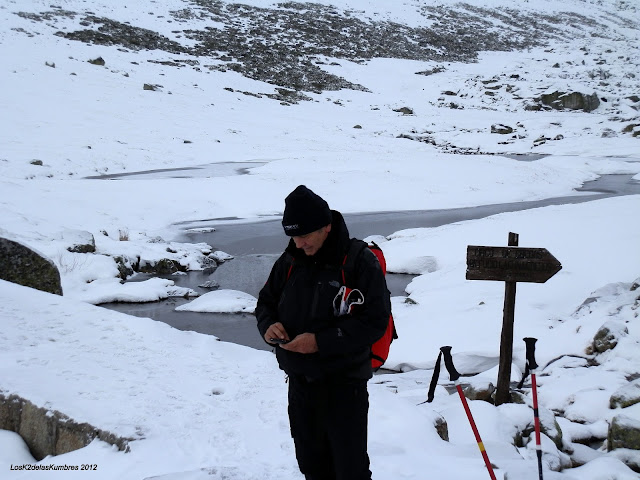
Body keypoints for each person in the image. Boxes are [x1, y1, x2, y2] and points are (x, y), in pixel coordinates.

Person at [255, 185, 391, 480]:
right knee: (312, 467)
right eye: (293, 236)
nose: (299, 243)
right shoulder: (290, 260)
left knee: (349, 470)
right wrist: (268, 326)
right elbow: (266, 302)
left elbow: (375, 321)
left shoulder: (358, 261)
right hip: (301, 385)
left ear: (326, 226)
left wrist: (319, 342)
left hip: (344, 387)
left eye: (305, 235)